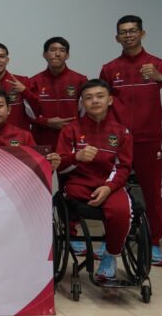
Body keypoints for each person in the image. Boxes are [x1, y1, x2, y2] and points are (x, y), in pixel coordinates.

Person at [99, 15, 162, 266]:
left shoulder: (158, 64)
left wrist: (160, 78)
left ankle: (154, 242)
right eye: (123, 32)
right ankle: (110, 239)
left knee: (152, 192)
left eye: (132, 31)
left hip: (149, 140)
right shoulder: (109, 68)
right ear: (117, 38)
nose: (128, 35)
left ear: (142, 34)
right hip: (117, 142)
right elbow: (101, 103)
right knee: (110, 190)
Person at [56, 79, 133, 280]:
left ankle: (110, 255)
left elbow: (123, 167)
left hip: (110, 185)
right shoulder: (70, 130)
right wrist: (77, 157)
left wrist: (108, 187)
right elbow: (60, 165)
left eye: (100, 96)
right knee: (71, 194)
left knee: (121, 211)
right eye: (88, 98)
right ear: (82, 103)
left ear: (110, 100)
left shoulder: (122, 132)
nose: (95, 101)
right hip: (78, 185)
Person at [0, 90, 62, 170]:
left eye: (0, 106)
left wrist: (50, 163)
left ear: (9, 109)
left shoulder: (24, 136)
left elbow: (36, 169)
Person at [27, 37, 87, 149]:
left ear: (67, 55)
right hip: (42, 140)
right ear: (44, 54)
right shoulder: (33, 82)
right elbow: (27, 114)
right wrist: (46, 122)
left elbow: (86, 113)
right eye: (53, 50)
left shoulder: (80, 80)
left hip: (72, 139)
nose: (57, 54)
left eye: (62, 50)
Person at [0, 43, 33, 130]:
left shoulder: (22, 81)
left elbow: (36, 113)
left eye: (2, 56)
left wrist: (24, 91)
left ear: (7, 60)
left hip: (19, 136)